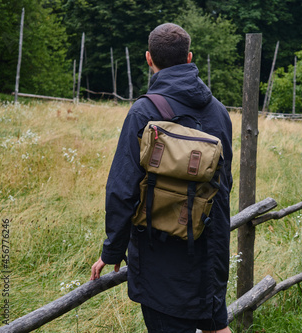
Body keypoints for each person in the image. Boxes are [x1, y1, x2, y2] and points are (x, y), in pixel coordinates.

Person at [90, 23, 233, 333]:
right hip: (212, 249)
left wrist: (112, 251)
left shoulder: (144, 112)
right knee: (216, 326)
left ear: (148, 59)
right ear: (189, 57)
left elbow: (122, 188)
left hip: (163, 256)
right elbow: (225, 184)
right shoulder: (219, 112)